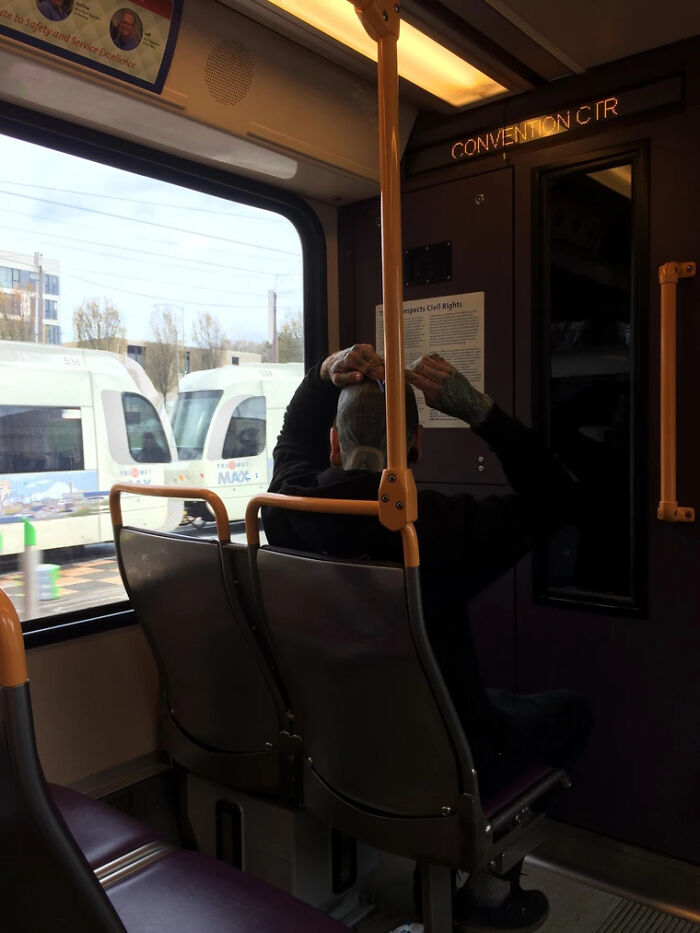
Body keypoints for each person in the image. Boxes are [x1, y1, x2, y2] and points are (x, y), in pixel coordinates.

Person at [263, 344, 593, 932]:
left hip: (334, 754)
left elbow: (290, 444)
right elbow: (562, 497)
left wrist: (320, 379)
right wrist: (479, 412)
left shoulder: (287, 506)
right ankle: (489, 890)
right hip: (449, 767)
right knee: (569, 713)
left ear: (333, 446)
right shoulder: (438, 528)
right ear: (416, 449)